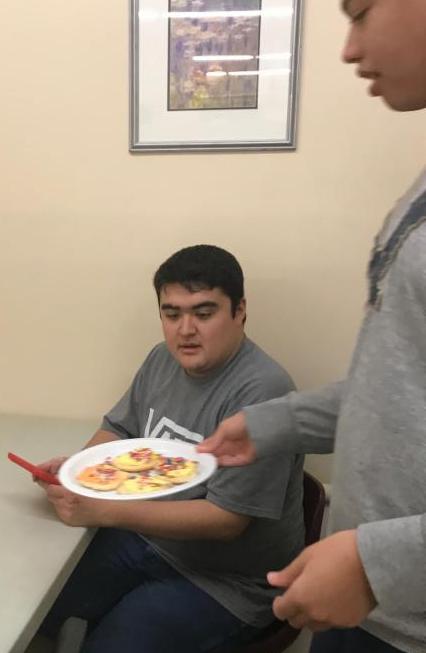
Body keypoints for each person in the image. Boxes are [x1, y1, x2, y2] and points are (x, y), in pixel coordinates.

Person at [198, 2, 426, 653]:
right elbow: (400, 388)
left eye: (362, 11)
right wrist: (277, 423)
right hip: (373, 604)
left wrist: (379, 561)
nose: (348, 48)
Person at [38, 244, 305, 653]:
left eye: (203, 313)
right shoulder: (161, 359)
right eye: (172, 314)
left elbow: (226, 520)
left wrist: (101, 509)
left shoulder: (264, 390)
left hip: (228, 583)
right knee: (38, 602)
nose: (185, 330)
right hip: (148, 538)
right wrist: (80, 473)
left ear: (240, 311)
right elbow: (119, 428)